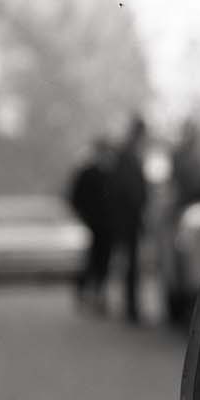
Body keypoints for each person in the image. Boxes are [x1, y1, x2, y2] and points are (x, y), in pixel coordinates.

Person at [109, 113, 149, 325]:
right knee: (131, 263)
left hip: (129, 216)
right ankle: (131, 308)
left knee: (130, 263)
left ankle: (131, 307)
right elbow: (128, 189)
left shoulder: (128, 154)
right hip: (129, 217)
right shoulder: (128, 155)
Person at [67, 137, 115, 313]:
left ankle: (97, 294)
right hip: (93, 223)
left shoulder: (109, 173)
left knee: (102, 259)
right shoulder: (88, 173)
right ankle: (87, 293)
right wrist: (84, 216)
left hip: (106, 224)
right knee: (93, 259)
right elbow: (75, 197)